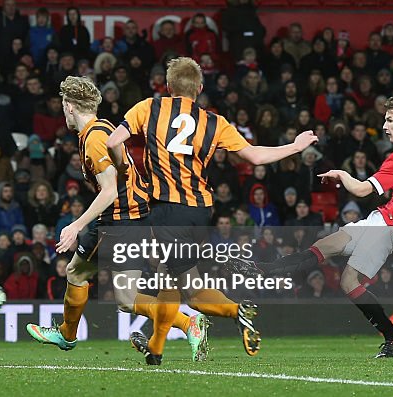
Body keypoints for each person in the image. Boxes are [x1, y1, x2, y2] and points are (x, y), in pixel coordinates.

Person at [105, 57, 319, 358]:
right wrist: (295, 147)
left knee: (190, 291)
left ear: (167, 87)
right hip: (201, 211)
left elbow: (114, 141)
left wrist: (124, 169)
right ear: (200, 88)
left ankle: (237, 310)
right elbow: (254, 156)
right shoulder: (214, 122)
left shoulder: (148, 108)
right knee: (171, 274)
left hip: (169, 209)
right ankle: (155, 351)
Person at [266, 97, 393, 358]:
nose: (385, 126)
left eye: (390, 120)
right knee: (325, 245)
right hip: (386, 221)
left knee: (348, 281)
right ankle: (264, 270)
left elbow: (362, 189)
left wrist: (342, 174)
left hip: (390, 225)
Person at [25, 76, 207, 365]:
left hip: (122, 219)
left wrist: (75, 225)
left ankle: (188, 324)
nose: (63, 112)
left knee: (125, 297)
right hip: (124, 216)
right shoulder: (102, 129)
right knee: (76, 272)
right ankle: (66, 334)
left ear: (70, 107)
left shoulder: (95, 140)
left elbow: (109, 190)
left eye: (63, 106)